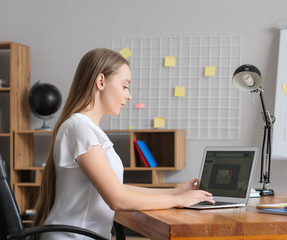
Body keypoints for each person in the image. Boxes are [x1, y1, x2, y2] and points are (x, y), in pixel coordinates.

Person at [33, 48, 214, 239]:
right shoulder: (80, 129)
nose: (129, 95)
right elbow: (117, 199)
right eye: (125, 86)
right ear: (101, 81)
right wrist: (178, 200)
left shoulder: (84, 129)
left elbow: (119, 188)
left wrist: (175, 191)